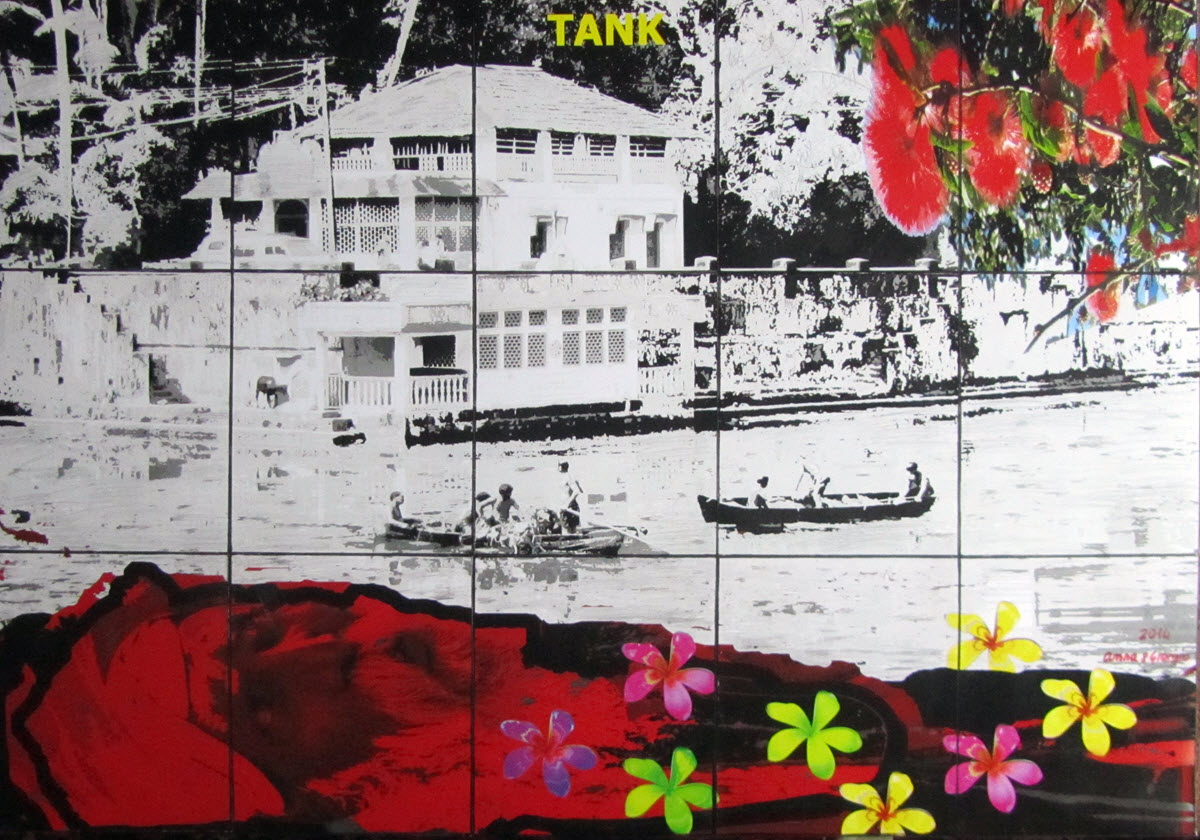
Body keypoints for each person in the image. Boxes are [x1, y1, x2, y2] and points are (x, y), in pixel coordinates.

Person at [559, 461, 583, 533]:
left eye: (559, 465)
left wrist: (567, 504)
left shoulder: (568, 477)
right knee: (566, 530)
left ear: (561, 467)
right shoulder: (563, 477)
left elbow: (577, 491)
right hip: (564, 508)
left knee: (571, 532)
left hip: (570, 508)